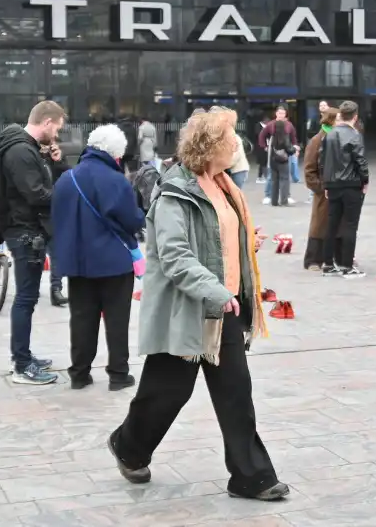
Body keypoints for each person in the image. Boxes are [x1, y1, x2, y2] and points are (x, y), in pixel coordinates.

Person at [108, 107, 287, 501]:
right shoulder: (176, 193)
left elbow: (219, 237)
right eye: (230, 140)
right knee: (167, 393)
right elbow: (174, 256)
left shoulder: (224, 185)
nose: (237, 146)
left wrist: (246, 241)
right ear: (211, 146)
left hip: (225, 312)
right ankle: (129, 446)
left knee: (236, 391)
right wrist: (215, 290)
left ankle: (251, 476)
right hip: (187, 312)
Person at [50, 125, 145, 391]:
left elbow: (55, 218)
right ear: (116, 154)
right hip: (114, 262)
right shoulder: (115, 181)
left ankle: (79, 373)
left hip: (78, 262)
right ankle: (118, 374)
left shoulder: (67, 179)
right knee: (116, 319)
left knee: (81, 318)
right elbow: (132, 219)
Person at [0, 100, 69, 385]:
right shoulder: (20, 151)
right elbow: (37, 195)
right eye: (58, 128)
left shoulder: (28, 149)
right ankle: (22, 365)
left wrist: (53, 160)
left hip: (28, 230)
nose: (57, 135)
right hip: (25, 232)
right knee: (25, 299)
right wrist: (67, 197)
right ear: (47, 122)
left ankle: (24, 356)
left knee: (27, 299)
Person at [319, 101, 369, 278]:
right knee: (349, 224)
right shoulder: (354, 135)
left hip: (332, 184)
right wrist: (365, 180)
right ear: (355, 117)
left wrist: (326, 183)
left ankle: (327, 264)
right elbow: (360, 160)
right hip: (351, 183)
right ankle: (347, 265)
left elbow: (322, 161)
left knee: (332, 224)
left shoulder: (329, 135)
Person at [303, 105, 339, 271]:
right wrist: (319, 187)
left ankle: (334, 258)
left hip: (339, 189)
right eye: (339, 119)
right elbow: (309, 169)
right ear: (331, 120)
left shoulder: (340, 137)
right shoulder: (317, 140)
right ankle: (313, 260)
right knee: (319, 224)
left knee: (338, 224)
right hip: (323, 190)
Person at [258, 107, 298, 204]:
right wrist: (265, 146)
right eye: (279, 113)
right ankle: (269, 195)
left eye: (283, 113)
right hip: (274, 154)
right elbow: (262, 136)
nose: (281, 115)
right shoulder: (270, 125)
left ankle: (283, 197)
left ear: (285, 114)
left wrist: (295, 147)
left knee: (282, 177)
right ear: (276, 113)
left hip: (285, 154)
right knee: (273, 177)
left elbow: (293, 138)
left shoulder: (289, 125)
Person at [266, 118, 296, 206]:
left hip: (273, 161)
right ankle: (284, 201)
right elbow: (289, 149)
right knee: (284, 180)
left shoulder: (272, 137)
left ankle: (274, 201)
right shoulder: (285, 136)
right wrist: (294, 149)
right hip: (283, 161)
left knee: (274, 181)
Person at [227, 118, 250, 188]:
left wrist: (224, 165)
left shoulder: (235, 138)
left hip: (239, 170)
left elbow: (236, 156)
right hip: (231, 169)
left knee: (236, 193)